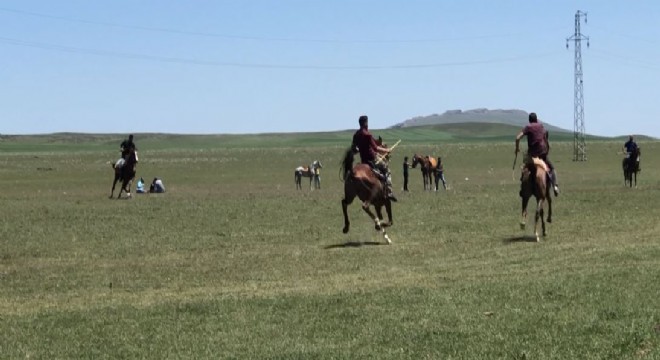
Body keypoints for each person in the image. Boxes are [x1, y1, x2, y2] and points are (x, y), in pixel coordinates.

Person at [351, 115, 396, 201]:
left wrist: (359, 149)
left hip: (363, 161)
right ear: (366, 123)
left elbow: (354, 149)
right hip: (372, 159)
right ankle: (389, 191)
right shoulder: (368, 134)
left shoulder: (356, 135)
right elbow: (376, 148)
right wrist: (387, 150)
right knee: (387, 169)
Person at [515, 112, 559, 196]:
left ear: (529, 120)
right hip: (543, 153)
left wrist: (517, 149)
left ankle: (523, 187)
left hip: (532, 154)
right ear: (536, 119)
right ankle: (555, 186)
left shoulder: (528, 127)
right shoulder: (541, 126)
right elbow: (546, 139)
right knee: (552, 168)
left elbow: (517, 138)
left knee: (524, 167)